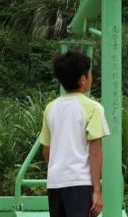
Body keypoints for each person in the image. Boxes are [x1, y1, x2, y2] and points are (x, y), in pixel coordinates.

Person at [40, 50, 110, 217]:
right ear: (83, 79)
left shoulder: (50, 108)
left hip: (55, 184)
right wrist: (97, 191)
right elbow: (95, 151)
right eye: (90, 73)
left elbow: (46, 151)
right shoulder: (93, 108)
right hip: (79, 184)